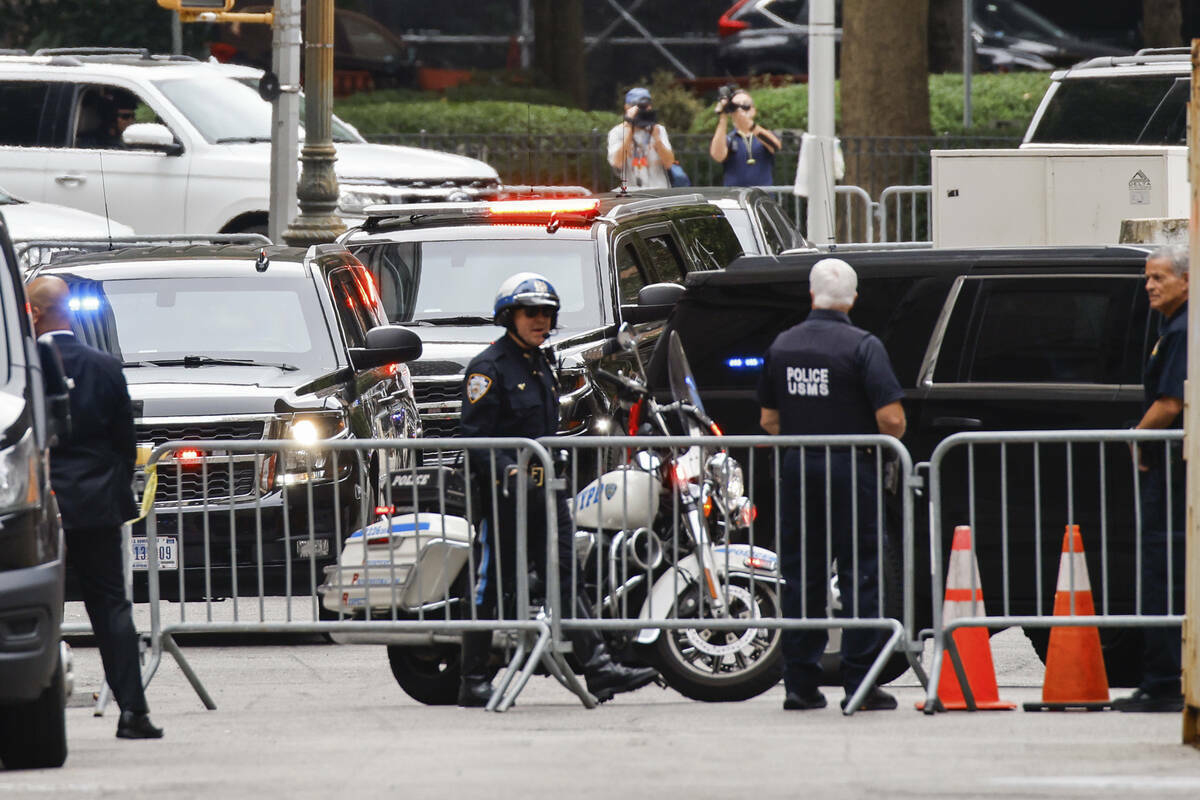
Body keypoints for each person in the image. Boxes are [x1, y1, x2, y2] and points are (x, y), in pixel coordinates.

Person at [456, 273, 658, 707]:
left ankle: (600, 669)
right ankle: (472, 679)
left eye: (547, 313)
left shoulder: (540, 363)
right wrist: (509, 471)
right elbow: (474, 437)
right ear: (510, 316)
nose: (540, 321)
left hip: (547, 493)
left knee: (566, 579)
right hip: (504, 499)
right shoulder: (488, 369)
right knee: (491, 586)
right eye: (531, 312)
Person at [757, 258, 906, 712]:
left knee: (802, 576)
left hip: (799, 471)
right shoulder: (864, 346)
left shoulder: (783, 346)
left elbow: (768, 419)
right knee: (861, 572)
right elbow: (892, 419)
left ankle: (800, 685)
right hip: (851, 472)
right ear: (853, 299)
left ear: (811, 295)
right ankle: (860, 683)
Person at [27, 276, 163, 740]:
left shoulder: (22, 371)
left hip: (38, 507)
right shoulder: (104, 367)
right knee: (111, 609)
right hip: (97, 506)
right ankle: (133, 712)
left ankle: (29, 706)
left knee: (32, 605)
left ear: (33, 313)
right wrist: (108, 486)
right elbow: (126, 443)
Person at [1112, 244, 1188, 713]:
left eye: (1159, 277)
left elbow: (1171, 403)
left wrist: (1136, 438)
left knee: (1163, 571)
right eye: (1147, 278)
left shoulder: (1181, 330)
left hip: (1176, 473)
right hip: (1170, 466)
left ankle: (1163, 682)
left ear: (1186, 280)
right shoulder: (1171, 326)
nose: (1149, 286)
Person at [709, 88, 781, 187]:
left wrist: (750, 125)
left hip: (762, 198)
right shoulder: (729, 138)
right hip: (735, 198)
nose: (740, 110)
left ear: (753, 110)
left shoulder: (763, 134)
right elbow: (717, 156)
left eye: (745, 106)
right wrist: (723, 117)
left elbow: (775, 146)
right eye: (736, 106)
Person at [607, 87, 675, 189]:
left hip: (659, 191)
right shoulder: (617, 132)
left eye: (646, 106)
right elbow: (617, 162)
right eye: (638, 106)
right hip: (632, 192)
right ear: (627, 107)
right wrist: (630, 130)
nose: (642, 110)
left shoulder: (658, 130)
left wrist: (657, 138)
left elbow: (669, 163)